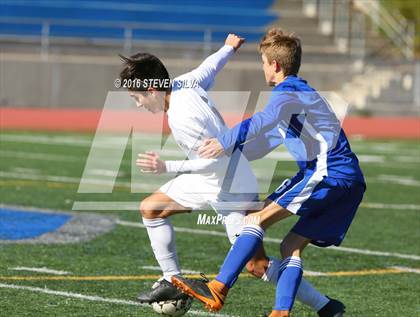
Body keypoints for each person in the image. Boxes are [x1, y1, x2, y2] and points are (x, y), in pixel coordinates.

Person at [119, 33, 339, 316]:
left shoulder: (181, 117)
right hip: (209, 179)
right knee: (151, 208)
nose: (138, 104)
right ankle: (171, 279)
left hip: (230, 184)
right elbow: (208, 68)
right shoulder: (183, 83)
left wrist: (167, 167)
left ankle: (326, 306)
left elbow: (213, 162)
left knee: (256, 266)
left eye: (137, 97)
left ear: (151, 89)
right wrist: (228, 48)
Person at [171, 28, 366, 317]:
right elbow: (268, 137)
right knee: (291, 245)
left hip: (327, 173)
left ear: (275, 65)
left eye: (263, 62)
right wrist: (229, 156)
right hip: (348, 179)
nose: (263, 67)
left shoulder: (286, 93)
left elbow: (263, 119)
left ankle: (218, 288)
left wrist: (224, 142)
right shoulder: (303, 93)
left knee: (255, 219)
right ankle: (285, 312)